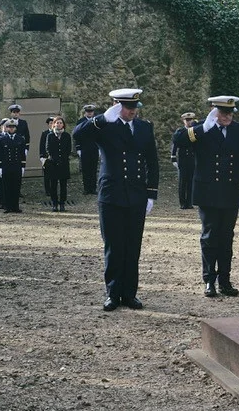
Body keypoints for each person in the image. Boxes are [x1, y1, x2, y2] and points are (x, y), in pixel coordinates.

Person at [73, 89, 160, 310]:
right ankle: (112, 292)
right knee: (113, 246)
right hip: (111, 194)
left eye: (134, 107)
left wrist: (151, 193)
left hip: (137, 194)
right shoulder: (105, 126)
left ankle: (130, 294)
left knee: (133, 247)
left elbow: (152, 161)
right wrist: (101, 119)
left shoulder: (144, 127)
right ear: (115, 105)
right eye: (127, 107)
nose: (132, 111)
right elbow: (78, 135)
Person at [187, 96, 239, 297]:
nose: (228, 117)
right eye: (223, 113)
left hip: (230, 191)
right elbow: (178, 140)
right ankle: (209, 280)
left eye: (230, 113)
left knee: (226, 237)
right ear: (215, 112)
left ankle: (225, 280)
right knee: (209, 236)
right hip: (208, 193)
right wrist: (203, 127)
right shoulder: (202, 129)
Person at [0, 118, 25, 213]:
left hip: (16, 166)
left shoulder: (20, 139)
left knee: (16, 186)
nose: (11, 129)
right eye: (9, 127)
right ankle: (7, 206)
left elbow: (22, 154)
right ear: (6, 128)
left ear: (16, 128)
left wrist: (23, 166)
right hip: (6, 166)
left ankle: (15, 206)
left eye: (13, 127)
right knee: (6, 187)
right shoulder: (2, 139)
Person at [43, 115, 73, 211]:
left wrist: (62, 159)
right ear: (54, 124)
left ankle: (62, 203)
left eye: (60, 123)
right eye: (57, 123)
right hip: (53, 164)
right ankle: (54, 203)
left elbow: (68, 149)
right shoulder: (50, 135)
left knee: (63, 185)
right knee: (53, 185)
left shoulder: (67, 136)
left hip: (63, 163)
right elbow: (48, 149)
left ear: (63, 125)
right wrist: (55, 159)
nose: (59, 124)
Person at [170, 111, 198, 209]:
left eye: (190, 120)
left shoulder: (195, 131)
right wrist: (173, 157)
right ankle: (182, 202)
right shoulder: (180, 131)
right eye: (187, 120)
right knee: (182, 181)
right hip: (182, 158)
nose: (189, 122)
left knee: (191, 181)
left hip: (192, 158)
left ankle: (189, 202)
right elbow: (175, 144)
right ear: (183, 121)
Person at [76, 104, 101, 196]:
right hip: (84, 148)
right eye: (88, 111)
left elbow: (100, 135)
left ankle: (93, 188)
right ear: (85, 112)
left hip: (94, 148)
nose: (89, 113)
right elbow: (77, 135)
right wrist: (78, 148)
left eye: (91, 112)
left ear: (93, 112)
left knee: (94, 169)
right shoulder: (81, 122)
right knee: (86, 169)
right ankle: (86, 188)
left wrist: (100, 148)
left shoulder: (97, 121)